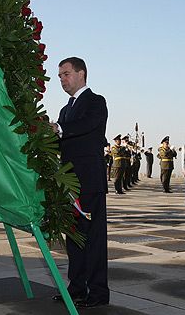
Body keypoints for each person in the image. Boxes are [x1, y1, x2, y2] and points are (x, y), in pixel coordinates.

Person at [50, 57, 109, 308]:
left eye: (66, 74)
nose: (62, 79)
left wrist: (59, 129)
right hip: (70, 185)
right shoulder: (65, 109)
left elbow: (87, 125)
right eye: (60, 76)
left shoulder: (95, 102)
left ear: (81, 74)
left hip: (90, 182)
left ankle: (97, 293)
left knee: (94, 239)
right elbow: (61, 140)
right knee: (74, 238)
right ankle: (76, 288)